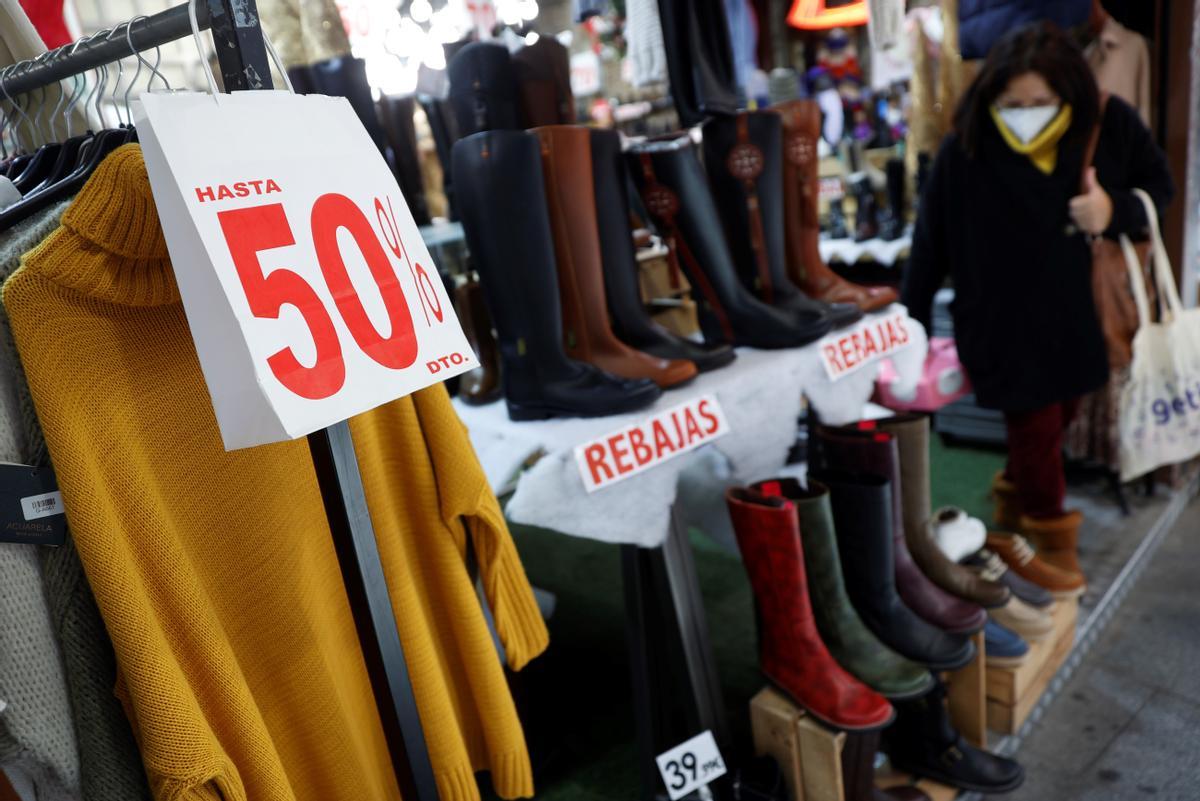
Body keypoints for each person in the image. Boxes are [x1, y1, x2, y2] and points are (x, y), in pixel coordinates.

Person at [901, 21, 1173, 586]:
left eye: (1041, 102)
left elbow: (1159, 185)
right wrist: (913, 326)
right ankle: (1049, 537)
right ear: (991, 96)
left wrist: (1112, 210)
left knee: (1059, 419)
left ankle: (1011, 499)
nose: (1026, 112)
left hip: (1081, 318)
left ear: (1067, 93)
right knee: (1036, 428)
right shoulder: (966, 143)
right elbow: (929, 245)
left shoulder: (1107, 123)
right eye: (1012, 102)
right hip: (999, 323)